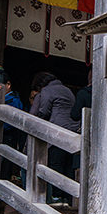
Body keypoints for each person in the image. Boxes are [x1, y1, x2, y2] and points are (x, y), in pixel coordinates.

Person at [31, 71, 79, 204]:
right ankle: (68, 198)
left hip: (56, 133)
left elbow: (44, 111)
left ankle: (56, 196)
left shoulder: (47, 90)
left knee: (55, 165)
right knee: (68, 167)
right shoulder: (67, 90)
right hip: (72, 133)